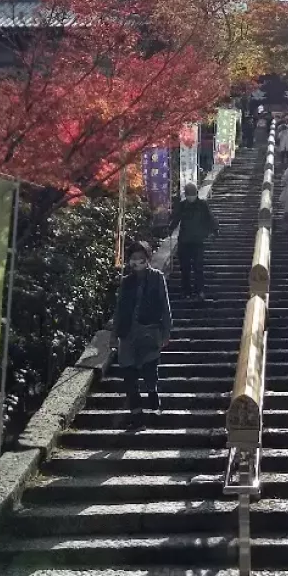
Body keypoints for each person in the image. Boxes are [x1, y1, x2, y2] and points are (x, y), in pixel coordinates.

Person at [115, 240, 172, 430]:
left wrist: (166, 331)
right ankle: (137, 416)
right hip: (128, 333)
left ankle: (152, 393)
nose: (137, 262)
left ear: (147, 259)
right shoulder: (126, 281)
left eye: (140, 258)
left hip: (150, 331)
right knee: (129, 375)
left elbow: (165, 307)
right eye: (133, 258)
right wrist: (114, 334)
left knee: (149, 370)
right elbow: (120, 308)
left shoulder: (157, 278)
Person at [169, 183, 218, 300]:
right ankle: (186, 291)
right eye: (189, 195)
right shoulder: (182, 206)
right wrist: (170, 229)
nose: (191, 197)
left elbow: (209, 218)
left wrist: (215, 230)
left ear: (196, 194)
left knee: (198, 267)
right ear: (186, 195)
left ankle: (199, 290)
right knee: (185, 268)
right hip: (184, 241)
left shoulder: (202, 205)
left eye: (193, 194)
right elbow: (176, 219)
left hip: (198, 241)